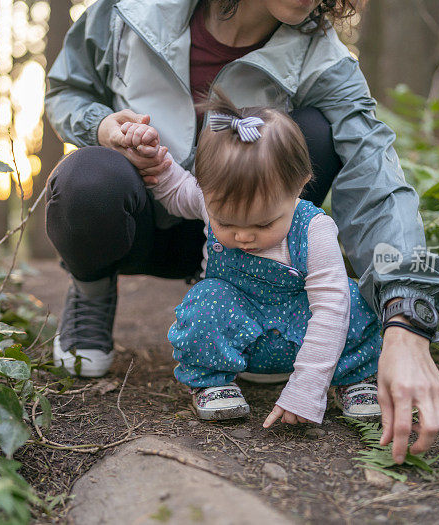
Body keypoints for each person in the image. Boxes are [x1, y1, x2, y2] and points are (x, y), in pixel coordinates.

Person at [44, 0, 439, 462]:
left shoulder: (323, 59)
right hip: (142, 218)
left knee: (316, 131)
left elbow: (375, 177)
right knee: (87, 179)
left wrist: (405, 320)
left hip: (252, 240)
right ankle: (92, 292)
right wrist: (101, 125)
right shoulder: (131, 7)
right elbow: (66, 90)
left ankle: (254, 298)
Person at [123, 93, 383, 423]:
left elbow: (329, 308)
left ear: (299, 186)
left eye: (263, 224)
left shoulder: (314, 230)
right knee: (205, 300)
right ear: (206, 192)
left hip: (305, 334)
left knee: (349, 299)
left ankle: (352, 378)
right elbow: (176, 191)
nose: (243, 236)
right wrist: (157, 162)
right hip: (239, 333)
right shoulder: (209, 198)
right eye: (226, 223)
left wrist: (307, 388)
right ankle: (213, 381)